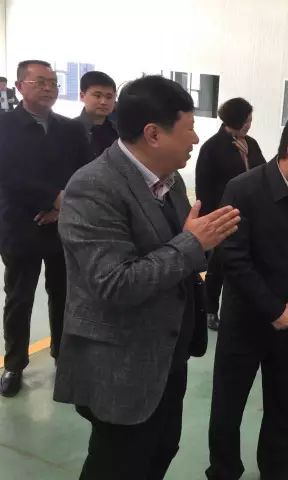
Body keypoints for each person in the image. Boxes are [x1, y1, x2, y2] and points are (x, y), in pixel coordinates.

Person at [53, 75, 241, 480]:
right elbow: (114, 283)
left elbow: (180, 248)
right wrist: (194, 243)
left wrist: (205, 242)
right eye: (189, 129)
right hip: (122, 361)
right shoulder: (94, 187)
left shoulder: (169, 179)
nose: (195, 140)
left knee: (160, 451)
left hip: (167, 351)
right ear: (154, 134)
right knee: (118, 464)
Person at [206, 110, 288, 480]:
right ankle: (224, 470)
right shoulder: (244, 190)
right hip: (245, 321)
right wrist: (273, 309)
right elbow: (234, 258)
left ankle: (276, 470)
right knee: (228, 406)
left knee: (284, 405)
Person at [0, 60, 90, 397]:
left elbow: (85, 172)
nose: (49, 87)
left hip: (62, 226)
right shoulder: (5, 127)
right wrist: (52, 198)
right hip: (19, 224)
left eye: (53, 82)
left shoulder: (70, 129)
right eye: (40, 81)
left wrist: (61, 205)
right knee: (19, 297)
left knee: (64, 294)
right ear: (20, 86)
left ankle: (63, 355)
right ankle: (14, 363)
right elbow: (7, 174)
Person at [196, 97, 266, 331]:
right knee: (217, 267)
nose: (248, 125)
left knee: (248, 264)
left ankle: (246, 308)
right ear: (233, 119)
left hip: (250, 215)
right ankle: (210, 310)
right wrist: (210, 219)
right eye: (245, 120)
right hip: (222, 215)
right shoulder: (212, 147)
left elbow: (263, 173)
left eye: (250, 120)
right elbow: (204, 188)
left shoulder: (251, 144)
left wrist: (249, 158)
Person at [75, 71, 118, 159]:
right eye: (97, 96)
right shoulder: (68, 130)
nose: (103, 102)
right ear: (82, 96)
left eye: (109, 97)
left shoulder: (119, 131)